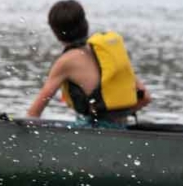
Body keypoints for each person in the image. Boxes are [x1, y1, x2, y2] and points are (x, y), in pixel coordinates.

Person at [26, 0, 152, 128]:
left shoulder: (65, 62)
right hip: (121, 129)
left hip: (92, 132)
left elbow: (34, 113)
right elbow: (145, 97)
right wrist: (117, 114)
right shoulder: (107, 53)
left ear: (56, 32)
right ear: (85, 24)